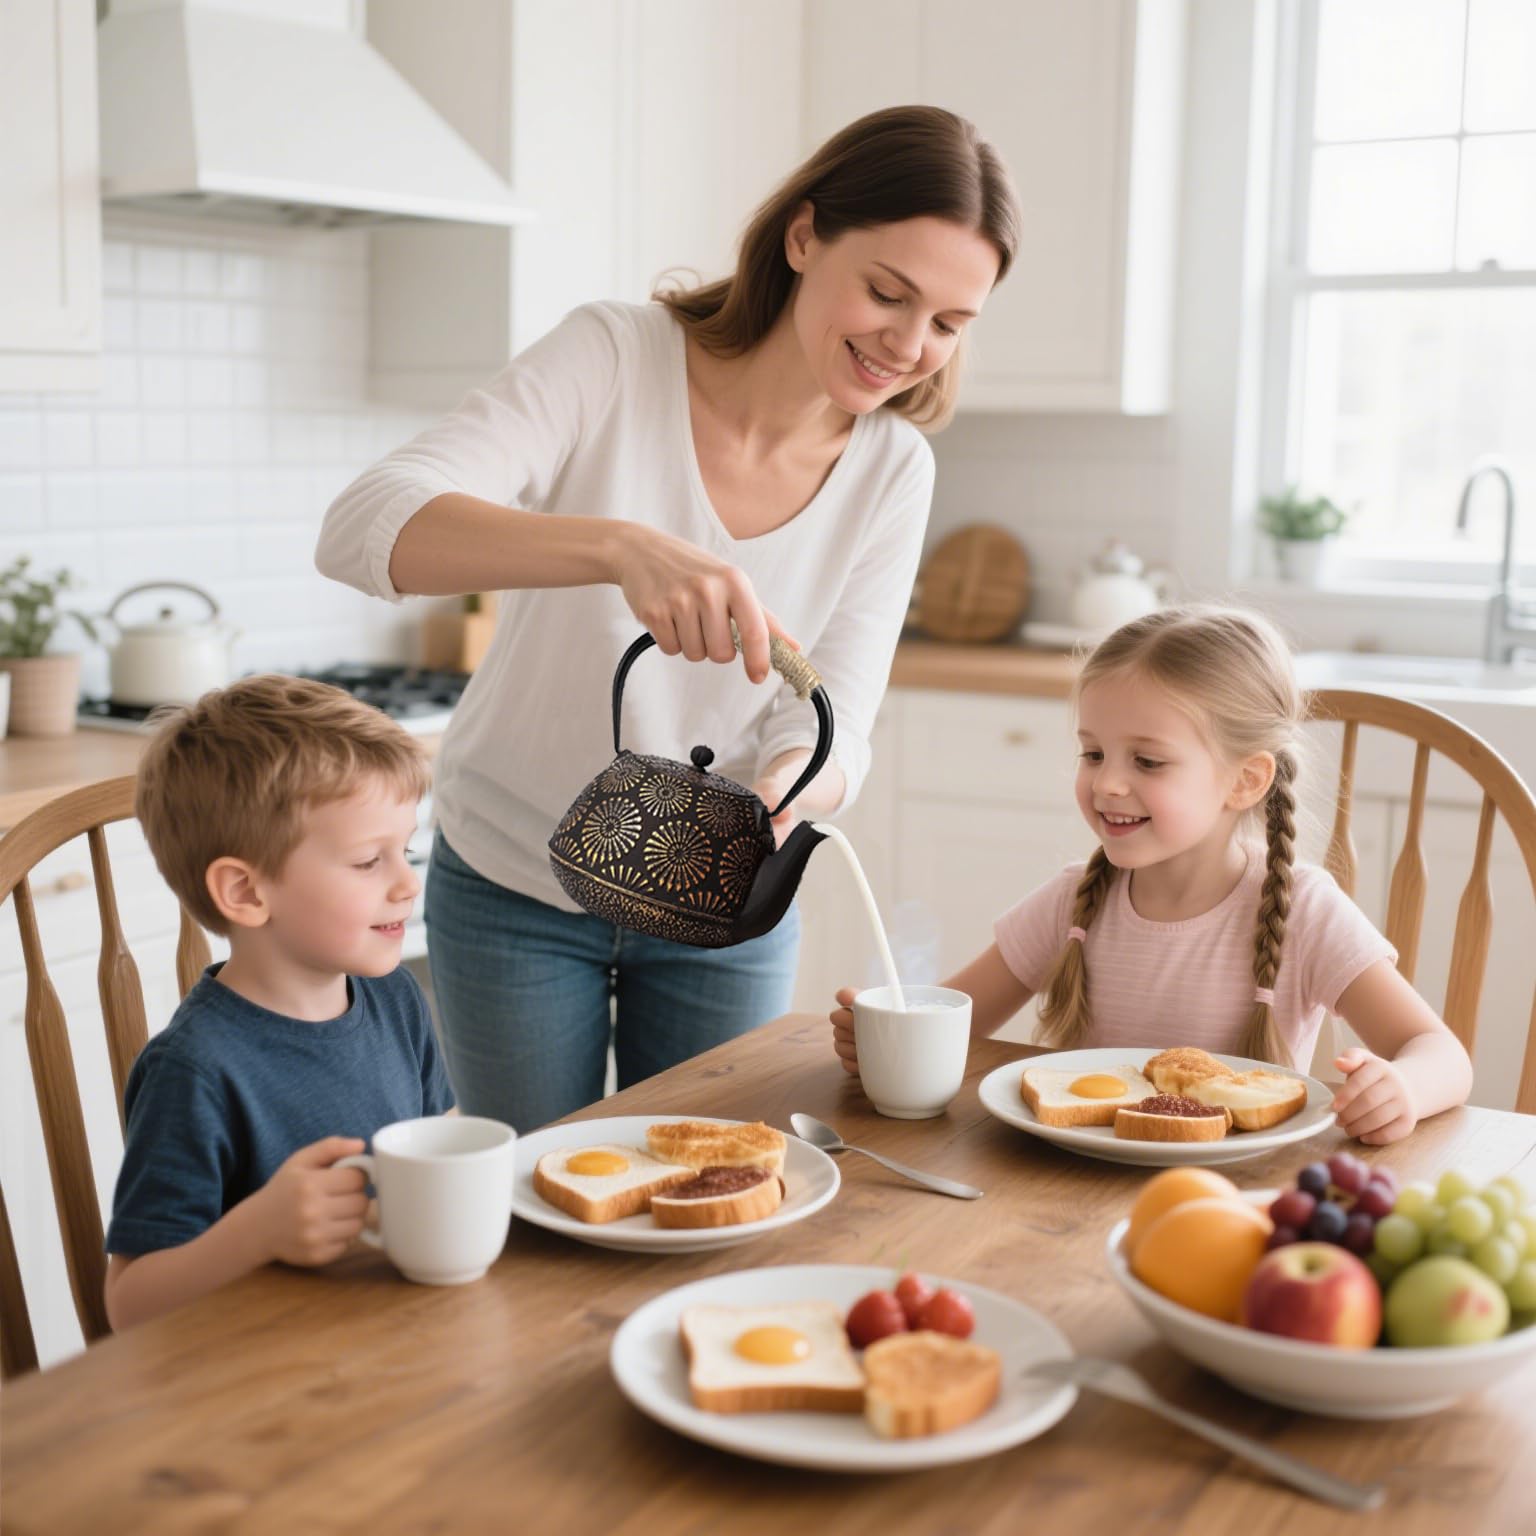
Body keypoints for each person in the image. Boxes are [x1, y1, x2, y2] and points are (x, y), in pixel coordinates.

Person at [316, 106, 1022, 1132]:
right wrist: (618, 549)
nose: (909, 346)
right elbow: (359, 529)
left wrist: (786, 791)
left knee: (702, 1195)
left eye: (950, 325)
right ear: (803, 236)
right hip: (515, 879)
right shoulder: (615, 357)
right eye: (886, 292)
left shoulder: (891, 470)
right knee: (532, 1207)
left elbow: (835, 714)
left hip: (722, 903)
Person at [829, 607, 1474, 1145]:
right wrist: (888, 1037)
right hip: (1061, 1191)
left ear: (1245, 780)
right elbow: (953, 1024)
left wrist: (1405, 1088)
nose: (1108, 782)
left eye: (1147, 761)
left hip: (1233, 1205)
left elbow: (1441, 1053)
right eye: (1093, 752)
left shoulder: (1304, 910)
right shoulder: (1070, 902)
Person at [104, 676, 454, 1330]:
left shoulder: (394, 995)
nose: (408, 882)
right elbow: (128, 1304)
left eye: (404, 850)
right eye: (367, 861)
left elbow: (441, 1136)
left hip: (392, 1337)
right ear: (244, 891)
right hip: (262, 1380)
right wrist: (255, 1233)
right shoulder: (195, 1070)